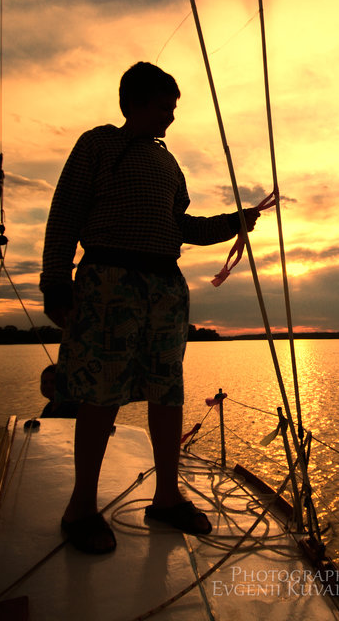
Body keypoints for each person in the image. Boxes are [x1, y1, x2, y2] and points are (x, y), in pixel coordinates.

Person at [40, 62, 260, 554]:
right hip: (108, 282)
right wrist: (55, 281)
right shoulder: (98, 145)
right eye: (164, 107)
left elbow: (180, 226)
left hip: (164, 287)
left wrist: (234, 222)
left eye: (173, 109)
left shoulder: (168, 163)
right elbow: (65, 214)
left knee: (168, 391)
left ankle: (165, 497)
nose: (171, 118)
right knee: (100, 394)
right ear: (134, 104)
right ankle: (80, 506)